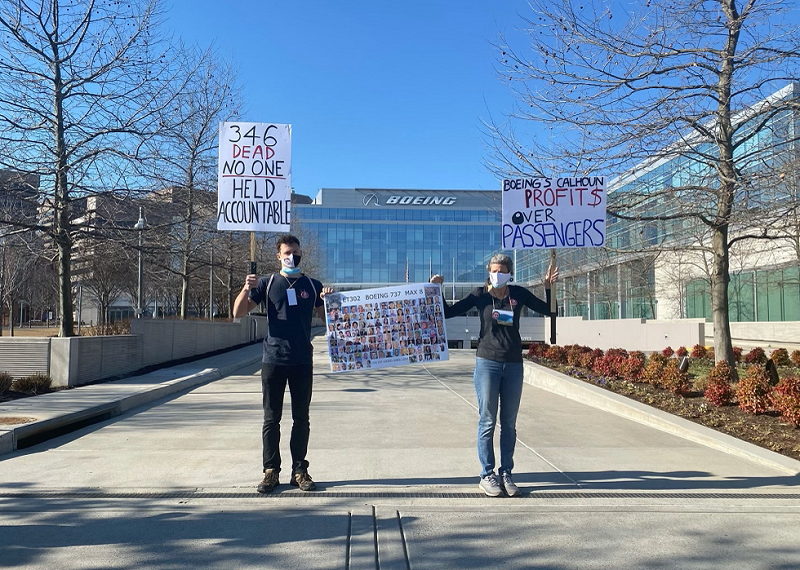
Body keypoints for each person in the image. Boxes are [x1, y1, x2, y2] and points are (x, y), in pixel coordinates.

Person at [430, 253, 557, 498]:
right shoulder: (480, 295)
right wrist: (437, 290)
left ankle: (506, 472)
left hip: (513, 364)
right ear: (489, 272)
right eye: (493, 270)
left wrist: (549, 288)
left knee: (509, 423)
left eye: (502, 271)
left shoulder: (518, 294)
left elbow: (550, 311)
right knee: (487, 420)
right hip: (487, 361)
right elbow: (447, 313)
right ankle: (487, 474)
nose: (497, 275)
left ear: (510, 273)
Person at [233, 234, 333, 494]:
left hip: (302, 360)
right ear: (278, 255)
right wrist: (246, 288)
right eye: (287, 253)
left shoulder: (312, 286)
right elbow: (238, 313)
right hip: (273, 360)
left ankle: (300, 470)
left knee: (301, 419)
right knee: (271, 419)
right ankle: (270, 471)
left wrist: (329, 300)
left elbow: (328, 320)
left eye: (296, 253)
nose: (292, 257)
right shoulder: (266, 284)